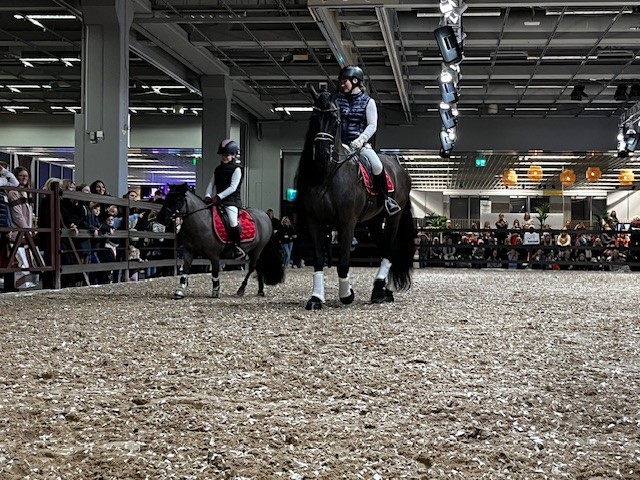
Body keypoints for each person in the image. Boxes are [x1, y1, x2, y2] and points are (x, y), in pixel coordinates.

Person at [335, 65, 401, 216]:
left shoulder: (368, 102)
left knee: (377, 166)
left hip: (359, 145)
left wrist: (360, 140)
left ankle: (386, 199)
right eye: (341, 82)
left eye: (345, 81)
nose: (342, 85)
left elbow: (372, 125)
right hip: (340, 144)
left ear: (355, 81)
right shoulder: (338, 100)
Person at [204, 139, 246, 259]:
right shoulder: (217, 169)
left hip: (231, 202)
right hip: (218, 201)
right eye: (222, 155)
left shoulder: (237, 169)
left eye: (227, 155)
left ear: (233, 155)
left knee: (232, 221)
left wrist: (219, 196)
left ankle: (237, 247)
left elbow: (233, 187)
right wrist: (207, 195)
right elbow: (211, 184)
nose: (224, 157)